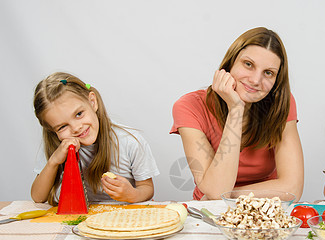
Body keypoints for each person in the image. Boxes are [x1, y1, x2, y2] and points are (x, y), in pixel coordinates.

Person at [170, 27, 304, 200]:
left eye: (268, 73)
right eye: (248, 64)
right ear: (230, 63)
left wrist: (230, 195)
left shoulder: (280, 104)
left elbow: (292, 188)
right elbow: (216, 188)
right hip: (211, 212)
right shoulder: (189, 107)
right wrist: (236, 108)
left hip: (264, 207)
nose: (256, 80)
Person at [32, 72, 159, 205]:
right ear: (52, 130)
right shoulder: (58, 147)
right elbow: (38, 197)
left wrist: (131, 195)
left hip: (124, 217)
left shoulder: (130, 141)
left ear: (92, 102)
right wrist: (54, 161)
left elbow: (147, 189)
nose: (76, 128)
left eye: (79, 114)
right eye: (62, 127)